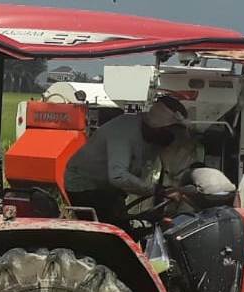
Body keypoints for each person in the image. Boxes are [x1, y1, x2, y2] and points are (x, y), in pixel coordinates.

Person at [63, 95, 189, 230]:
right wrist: (157, 190)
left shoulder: (155, 138)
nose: (172, 137)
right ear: (159, 128)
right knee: (113, 230)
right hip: (85, 186)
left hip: (109, 188)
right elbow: (118, 176)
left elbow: (173, 164)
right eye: (170, 131)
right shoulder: (123, 130)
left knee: (129, 225)